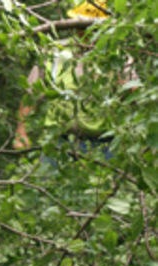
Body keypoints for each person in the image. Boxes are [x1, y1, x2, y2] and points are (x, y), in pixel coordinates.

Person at [13, 0, 136, 156]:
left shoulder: (118, 56)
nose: (85, 32)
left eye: (92, 28)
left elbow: (136, 97)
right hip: (59, 142)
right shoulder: (55, 52)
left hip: (105, 144)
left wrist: (124, 84)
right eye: (81, 27)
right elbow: (31, 95)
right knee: (51, 179)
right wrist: (21, 132)